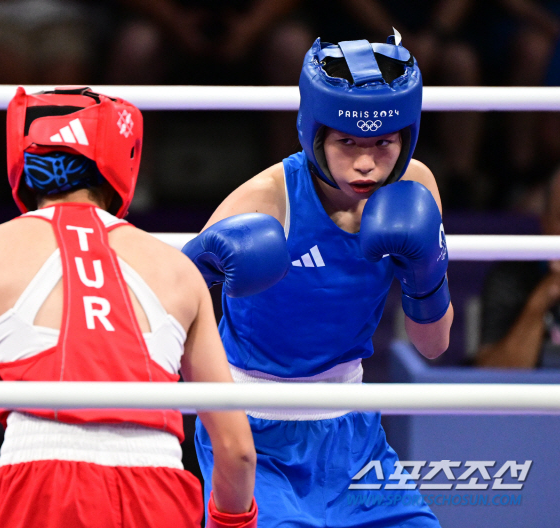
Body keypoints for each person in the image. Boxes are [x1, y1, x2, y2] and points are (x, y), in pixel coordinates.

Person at [0, 87, 258, 528]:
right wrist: (232, 524)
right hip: (158, 484)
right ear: (119, 158)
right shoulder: (176, 269)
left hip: (36, 481)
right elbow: (237, 450)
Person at [182, 33, 454, 527]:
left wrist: (426, 273)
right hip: (254, 432)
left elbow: (433, 345)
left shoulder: (415, 188)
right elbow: (169, 313)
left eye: (384, 142)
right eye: (347, 141)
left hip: (354, 431)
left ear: (406, 136)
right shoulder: (266, 199)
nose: (367, 162)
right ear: (314, 133)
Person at [475, 166, 560, 368]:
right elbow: (496, 376)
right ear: (546, 224)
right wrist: (544, 297)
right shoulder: (510, 277)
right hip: (535, 400)